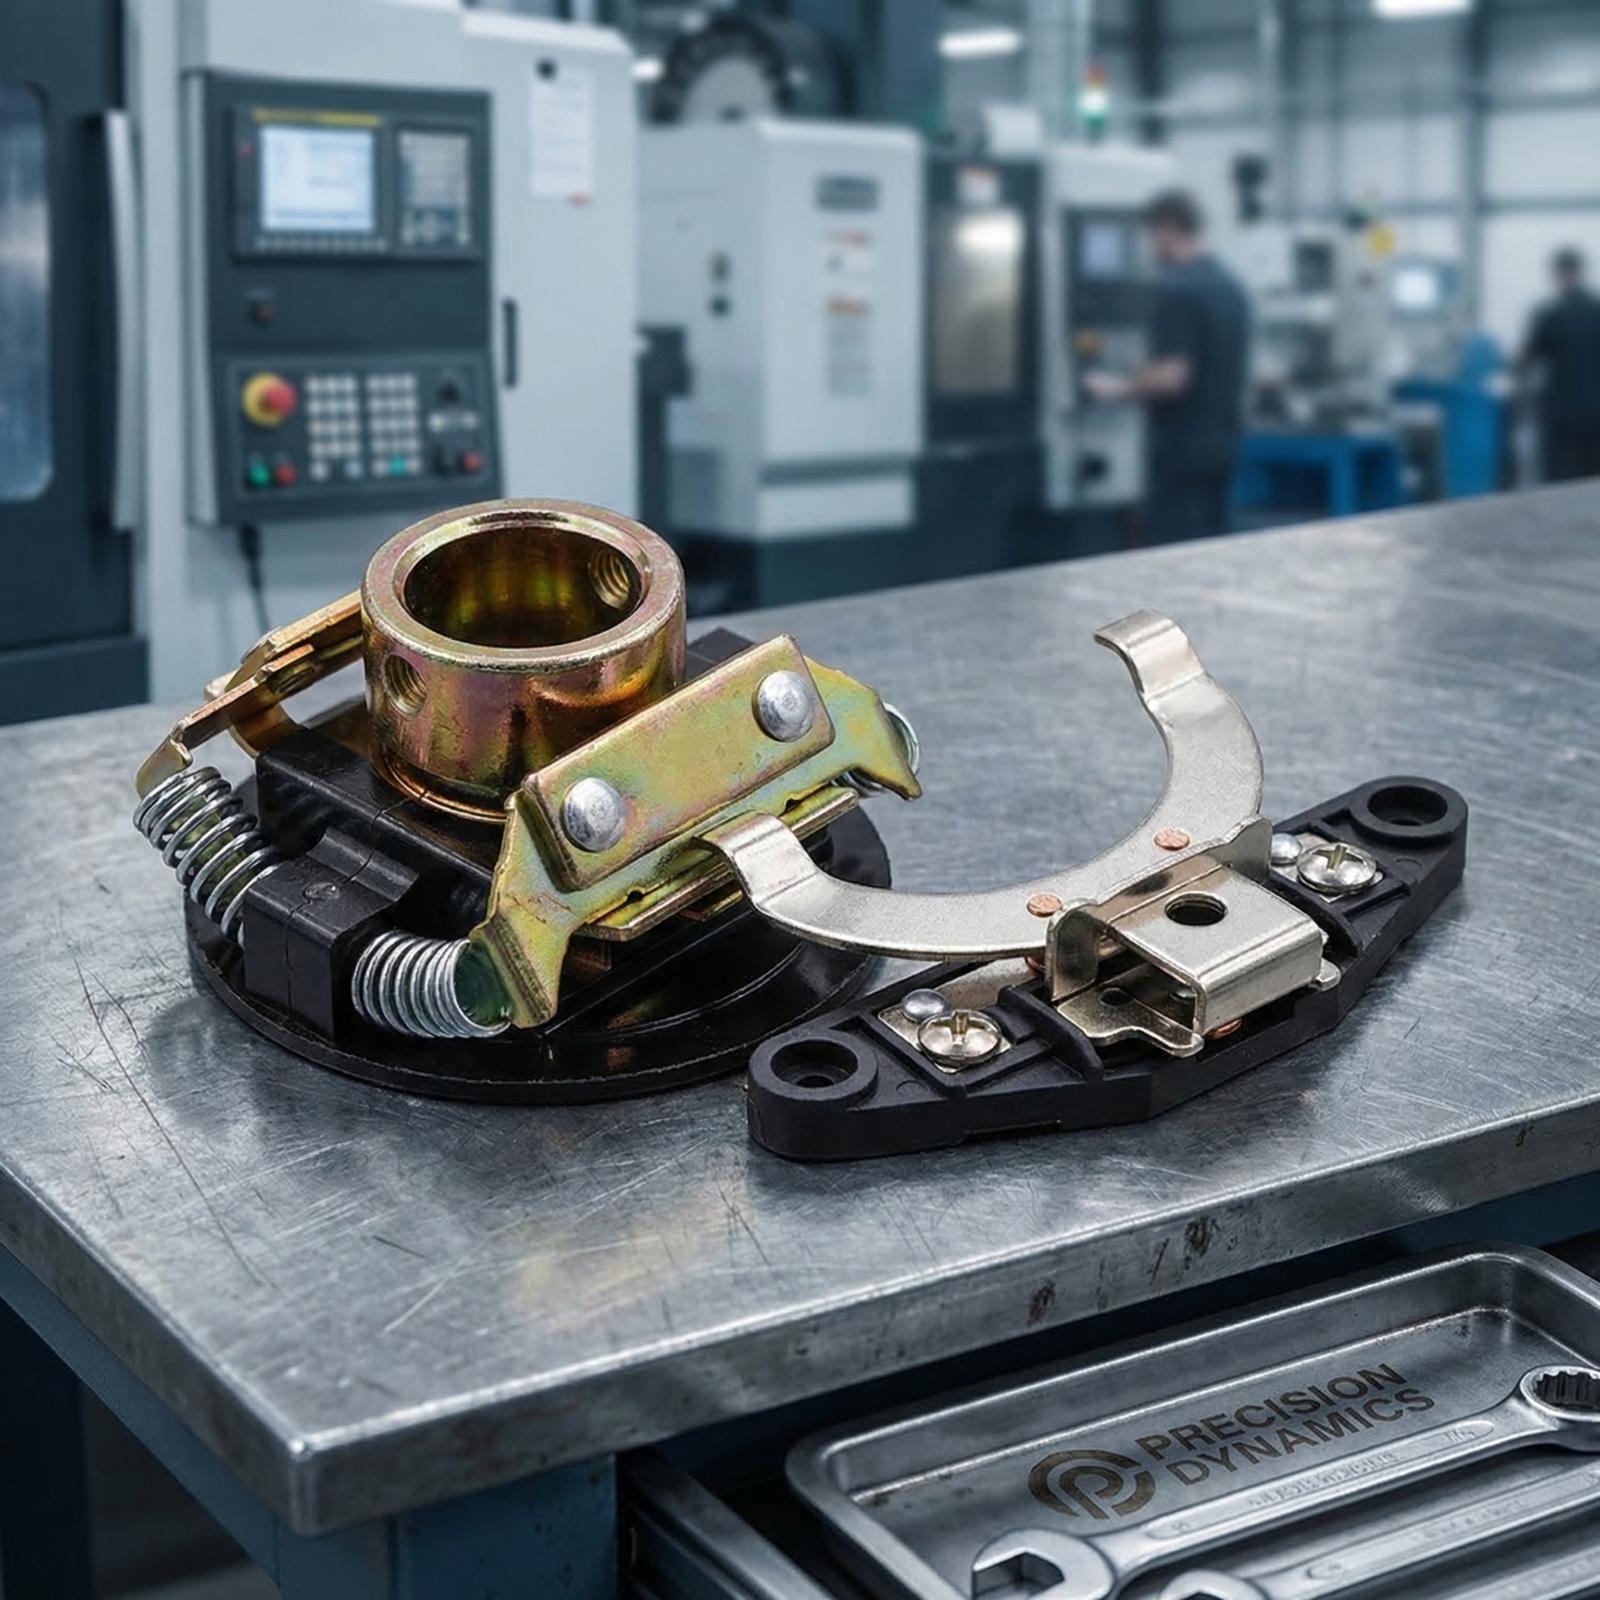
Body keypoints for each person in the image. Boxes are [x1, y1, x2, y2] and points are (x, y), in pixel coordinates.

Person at [1085, 189, 1250, 543]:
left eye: (1151, 235)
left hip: (1181, 450)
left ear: (1167, 230)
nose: (1150, 247)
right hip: (1224, 444)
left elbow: (1174, 377)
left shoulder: (1175, 289)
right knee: (1213, 544)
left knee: (1170, 549)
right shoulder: (1230, 286)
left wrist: (1117, 387)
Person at [1519, 247, 1600, 483]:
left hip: (1561, 415)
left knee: (1560, 481)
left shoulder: (1550, 315)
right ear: (1579, 272)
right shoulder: (1597, 311)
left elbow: (1526, 361)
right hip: (1596, 413)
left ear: (1558, 274)